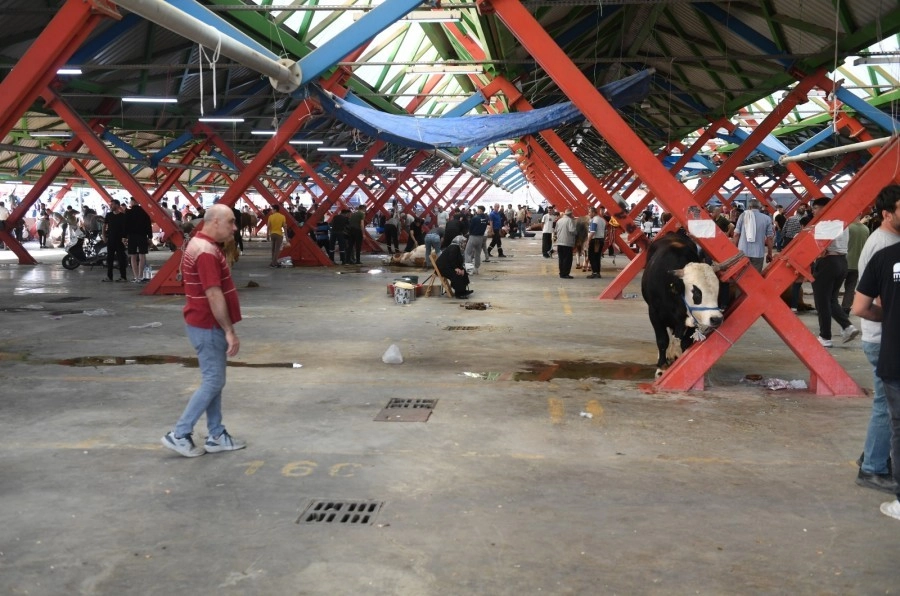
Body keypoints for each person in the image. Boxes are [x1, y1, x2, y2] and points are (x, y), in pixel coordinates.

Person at [161, 205, 245, 458]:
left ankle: (216, 434)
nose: (234, 227)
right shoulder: (206, 252)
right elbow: (213, 294)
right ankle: (180, 433)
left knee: (214, 380)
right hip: (208, 325)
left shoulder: (202, 245)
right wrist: (229, 330)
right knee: (213, 381)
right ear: (215, 221)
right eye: (231, 222)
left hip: (203, 324)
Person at [851, 214, 900, 521]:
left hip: (888, 340)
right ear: (887, 213)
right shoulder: (881, 245)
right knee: (886, 407)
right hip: (882, 339)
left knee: (889, 408)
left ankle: (873, 456)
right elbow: (863, 305)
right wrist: (890, 316)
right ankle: (872, 467)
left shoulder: (888, 246)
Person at [809, 197, 858, 348]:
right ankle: (847, 326)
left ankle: (825, 337)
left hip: (827, 263)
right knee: (831, 299)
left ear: (825, 208)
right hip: (842, 262)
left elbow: (821, 249)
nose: (813, 211)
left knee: (822, 302)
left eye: (815, 208)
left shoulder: (825, 223)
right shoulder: (843, 222)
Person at [731, 198, 774, 273]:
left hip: (742, 252)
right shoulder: (766, 218)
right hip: (758, 253)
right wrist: (769, 253)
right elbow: (770, 238)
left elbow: (736, 234)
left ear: (749, 207)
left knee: (741, 275)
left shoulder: (743, 216)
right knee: (755, 276)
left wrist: (734, 251)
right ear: (760, 207)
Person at [842, 215, 870, 314]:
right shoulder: (866, 229)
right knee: (850, 287)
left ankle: (832, 307)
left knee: (834, 286)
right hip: (857, 263)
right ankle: (846, 308)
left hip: (844, 261)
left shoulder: (848, 228)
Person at [124, 197, 152, 282]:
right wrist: (150, 237)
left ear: (133, 202)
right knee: (142, 255)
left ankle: (136, 277)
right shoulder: (144, 212)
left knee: (133, 256)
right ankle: (140, 276)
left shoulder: (128, 212)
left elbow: (125, 225)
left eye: (131, 201)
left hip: (131, 236)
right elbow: (148, 225)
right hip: (142, 235)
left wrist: (125, 237)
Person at [102, 199, 128, 282]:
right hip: (111, 239)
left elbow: (125, 228)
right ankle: (109, 277)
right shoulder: (109, 215)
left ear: (117, 205)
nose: (110, 206)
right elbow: (104, 225)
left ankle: (123, 277)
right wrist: (104, 236)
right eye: (110, 204)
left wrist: (125, 238)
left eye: (112, 204)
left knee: (121, 259)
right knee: (109, 258)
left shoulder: (123, 216)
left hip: (120, 240)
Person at [464, 206, 489, 273]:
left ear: (480, 210)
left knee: (468, 252)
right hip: (481, 238)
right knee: (477, 254)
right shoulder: (485, 219)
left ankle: (469, 270)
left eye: (478, 209)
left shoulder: (475, 218)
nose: (477, 211)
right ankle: (476, 268)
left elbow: (471, 227)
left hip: (473, 237)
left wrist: (469, 233)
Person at [554, 208, 577, 279]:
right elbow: (572, 230)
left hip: (559, 243)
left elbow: (555, 230)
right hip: (567, 243)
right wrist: (577, 232)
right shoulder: (570, 220)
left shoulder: (559, 220)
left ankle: (561, 273)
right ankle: (566, 274)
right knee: (567, 259)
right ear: (570, 214)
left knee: (561, 258)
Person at [586, 206, 606, 278]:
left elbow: (592, 231)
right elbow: (605, 232)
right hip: (601, 240)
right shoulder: (602, 220)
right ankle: (597, 272)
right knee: (597, 257)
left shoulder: (594, 220)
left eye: (589, 212)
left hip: (595, 240)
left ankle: (594, 272)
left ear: (593, 213)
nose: (588, 214)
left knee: (592, 256)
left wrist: (588, 241)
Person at [267, 204, 286, 268]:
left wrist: (267, 235)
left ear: (275, 209)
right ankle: (274, 263)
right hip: (279, 234)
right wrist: (286, 237)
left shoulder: (270, 217)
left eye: (272, 209)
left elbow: (268, 226)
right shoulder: (282, 217)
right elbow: (284, 227)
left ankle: (273, 262)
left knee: (273, 249)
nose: (271, 210)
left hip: (272, 234)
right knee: (277, 250)